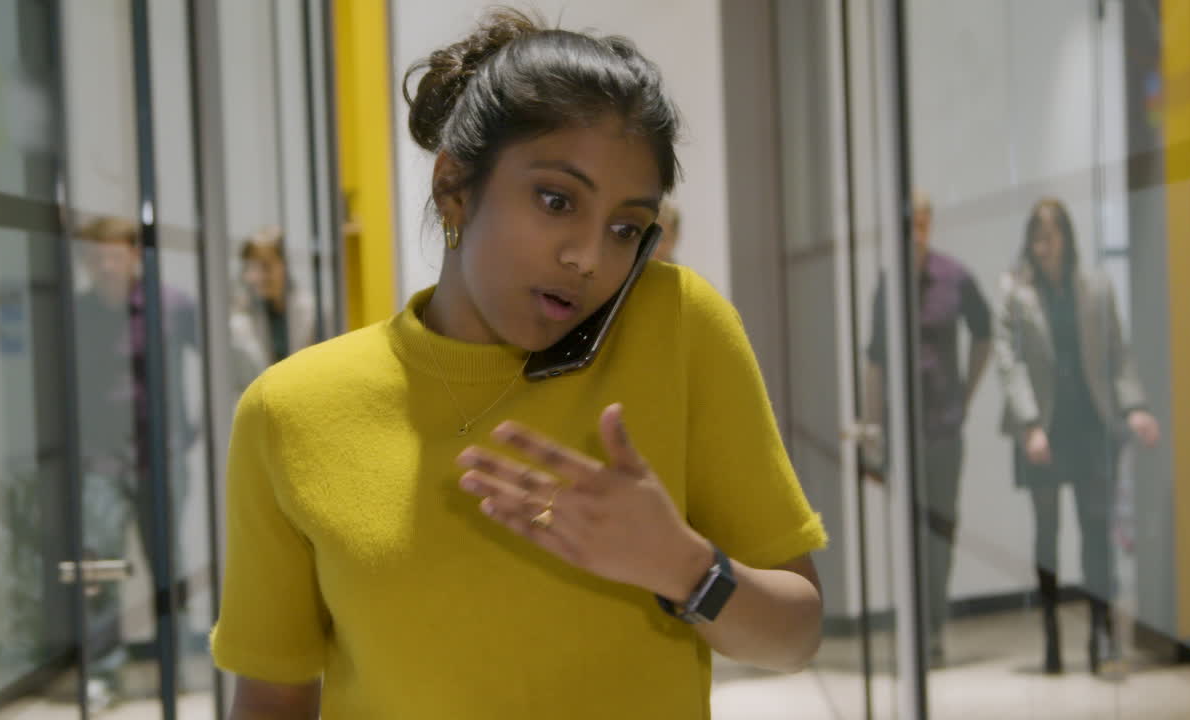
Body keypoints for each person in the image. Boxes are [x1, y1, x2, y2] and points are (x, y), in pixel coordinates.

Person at [211, 10, 827, 719]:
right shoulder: (291, 409)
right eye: (556, 200)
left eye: (626, 228)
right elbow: (272, 694)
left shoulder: (677, 325)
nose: (589, 258)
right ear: (454, 188)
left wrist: (683, 567)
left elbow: (797, 636)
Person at [996, 198, 1159, 675]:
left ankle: (1100, 634)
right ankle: (1050, 635)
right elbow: (1011, 364)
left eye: (1053, 236)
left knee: (1096, 533)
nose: (1045, 247)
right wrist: (1028, 424)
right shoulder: (1015, 293)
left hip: (1089, 425)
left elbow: (1118, 354)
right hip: (1043, 429)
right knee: (1046, 535)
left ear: (1066, 238)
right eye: (1038, 238)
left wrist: (1136, 406)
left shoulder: (1096, 288)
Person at [860, 191, 993, 668]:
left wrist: (967, 394)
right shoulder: (888, 285)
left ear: (929, 225)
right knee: (912, 534)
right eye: (906, 224)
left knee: (941, 532)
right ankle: (916, 626)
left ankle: (934, 626)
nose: (913, 233)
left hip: (943, 430)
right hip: (902, 431)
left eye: (920, 223)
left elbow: (985, 332)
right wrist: (871, 428)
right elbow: (875, 361)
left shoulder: (954, 278)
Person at [72, 215, 199, 699]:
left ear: (132, 257)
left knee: (169, 559)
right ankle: (103, 670)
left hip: (162, 456)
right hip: (98, 459)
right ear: (86, 260)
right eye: (95, 255)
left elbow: (219, 355)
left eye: (114, 253)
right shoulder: (77, 311)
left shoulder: (171, 306)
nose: (105, 264)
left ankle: (177, 662)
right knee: (99, 565)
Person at [229, 226, 316, 393]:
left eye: (265, 266)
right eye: (250, 267)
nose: (254, 277)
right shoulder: (238, 321)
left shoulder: (308, 309)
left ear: (284, 265)